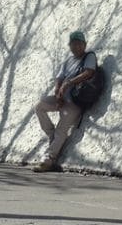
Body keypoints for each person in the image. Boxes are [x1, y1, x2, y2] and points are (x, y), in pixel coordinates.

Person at [33, 30, 97, 173]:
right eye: (73, 44)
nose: (76, 47)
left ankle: (48, 160)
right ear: (69, 45)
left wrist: (68, 83)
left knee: (62, 129)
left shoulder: (89, 56)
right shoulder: (68, 61)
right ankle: (52, 136)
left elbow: (89, 72)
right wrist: (57, 90)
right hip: (62, 98)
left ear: (84, 44)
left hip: (75, 101)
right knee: (39, 107)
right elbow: (59, 77)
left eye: (79, 44)